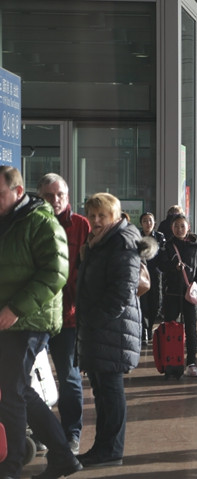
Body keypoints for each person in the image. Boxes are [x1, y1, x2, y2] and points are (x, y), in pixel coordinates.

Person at [0, 166, 80, 479]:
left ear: (18, 192)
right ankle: (62, 456)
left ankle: (10, 466)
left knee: (12, 391)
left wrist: (15, 309)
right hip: (10, 318)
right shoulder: (7, 221)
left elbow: (55, 273)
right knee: (17, 389)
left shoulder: (40, 220)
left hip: (28, 319)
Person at [75, 192, 148, 470]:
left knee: (110, 389)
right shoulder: (99, 241)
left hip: (111, 330)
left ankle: (110, 450)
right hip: (102, 330)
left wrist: (94, 320)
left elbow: (121, 293)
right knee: (103, 392)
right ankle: (103, 448)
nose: (95, 220)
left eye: (101, 216)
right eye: (92, 215)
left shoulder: (120, 242)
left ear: (115, 217)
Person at [36, 173, 90, 456]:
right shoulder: (32, 224)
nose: (55, 201)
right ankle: (40, 432)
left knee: (69, 379)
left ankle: (72, 435)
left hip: (68, 318)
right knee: (30, 378)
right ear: (39, 196)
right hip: (35, 317)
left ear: (68, 197)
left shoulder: (82, 225)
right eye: (49, 195)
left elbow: (88, 271)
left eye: (60, 195)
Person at [157, 214, 197, 378]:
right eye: (176, 226)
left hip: (190, 293)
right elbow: (161, 265)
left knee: (191, 329)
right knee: (170, 327)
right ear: (171, 228)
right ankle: (170, 362)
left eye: (182, 226)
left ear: (189, 227)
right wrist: (174, 266)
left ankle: (191, 363)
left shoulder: (196, 246)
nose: (179, 229)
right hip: (172, 292)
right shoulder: (167, 246)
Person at [138, 212, 167, 345]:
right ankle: (144, 330)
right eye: (145, 221)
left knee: (156, 302)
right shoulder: (138, 237)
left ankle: (149, 328)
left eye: (150, 221)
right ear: (141, 223)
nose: (148, 223)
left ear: (154, 223)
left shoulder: (160, 237)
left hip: (156, 274)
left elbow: (163, 255)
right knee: (143, 302)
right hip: (141, 273)